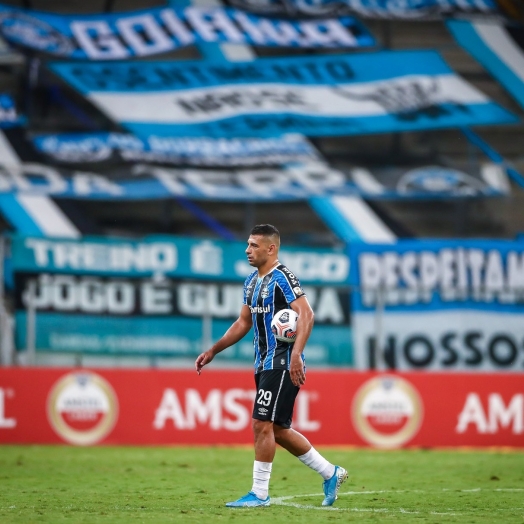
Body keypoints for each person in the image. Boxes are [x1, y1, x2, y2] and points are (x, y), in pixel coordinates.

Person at [195, 224, 347, 508]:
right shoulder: (251, 281)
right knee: (277, 429)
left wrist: (296, 355)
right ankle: (330, 472)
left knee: (260, 423)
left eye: (253, 245)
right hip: (263, 363)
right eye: (248, 244)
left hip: (282, 362)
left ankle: (259, 493)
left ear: (271, 248)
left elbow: (307, 315)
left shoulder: (283, 278)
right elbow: (243, 322)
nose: (247, 250)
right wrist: (213, 350)